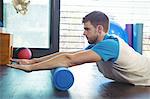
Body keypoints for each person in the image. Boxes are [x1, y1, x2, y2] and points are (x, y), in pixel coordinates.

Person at [8, 11, 150, 86]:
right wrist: (33, 61)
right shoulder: (97, 46)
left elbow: (69, 60)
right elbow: (68, 54)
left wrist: (31, 69)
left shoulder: (110, 45)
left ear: (99, 29)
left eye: (87, 29)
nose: (84, 33)